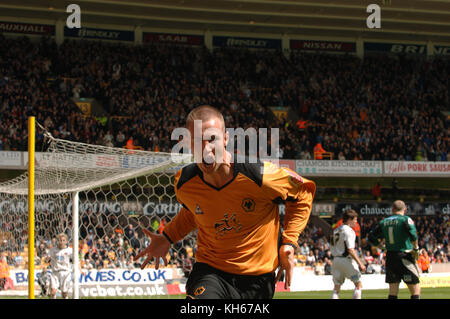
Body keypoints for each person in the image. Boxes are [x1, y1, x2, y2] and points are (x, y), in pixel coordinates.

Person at [135, 105, 316, 299]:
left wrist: (289, 241)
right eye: (198, 142)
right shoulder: (184, 182)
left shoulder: (260, 175)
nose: (206, 149)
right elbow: (194, 213)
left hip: (257, 280)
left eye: (212, 139)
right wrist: (167, 237)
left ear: (226, 138)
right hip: (210, 272)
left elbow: (303, 192)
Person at [368, 200, 421, 299]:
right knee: (415, 289)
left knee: (393, 291)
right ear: (405, 209)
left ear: (392, 209)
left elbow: (371, 237)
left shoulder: (384, 222)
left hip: (391, 258)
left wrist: (382, 248)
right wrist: (416, 248)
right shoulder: (405, 219)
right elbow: (413, 235)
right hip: (405, 256)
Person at [330, 209, 366, 299]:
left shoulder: (336, 230)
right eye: (355, 220)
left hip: (336, 260)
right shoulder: (349, 231)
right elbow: (350, 250)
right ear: (349, 219)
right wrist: (360, 263)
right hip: (346, 260)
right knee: (358, 284)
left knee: (336, 288)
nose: (356, 222)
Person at [46, 233, 73, 299]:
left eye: (63, 240)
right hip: (55, 272)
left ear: (66, 241)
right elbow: (47, 259)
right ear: (57, 241)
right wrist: (47, 258)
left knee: (64, 293)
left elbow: (76, 260)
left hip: (66, 272)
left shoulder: (70, 250)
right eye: (60, 240)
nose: (61, 242)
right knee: (53, 292)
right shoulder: (52, 250)